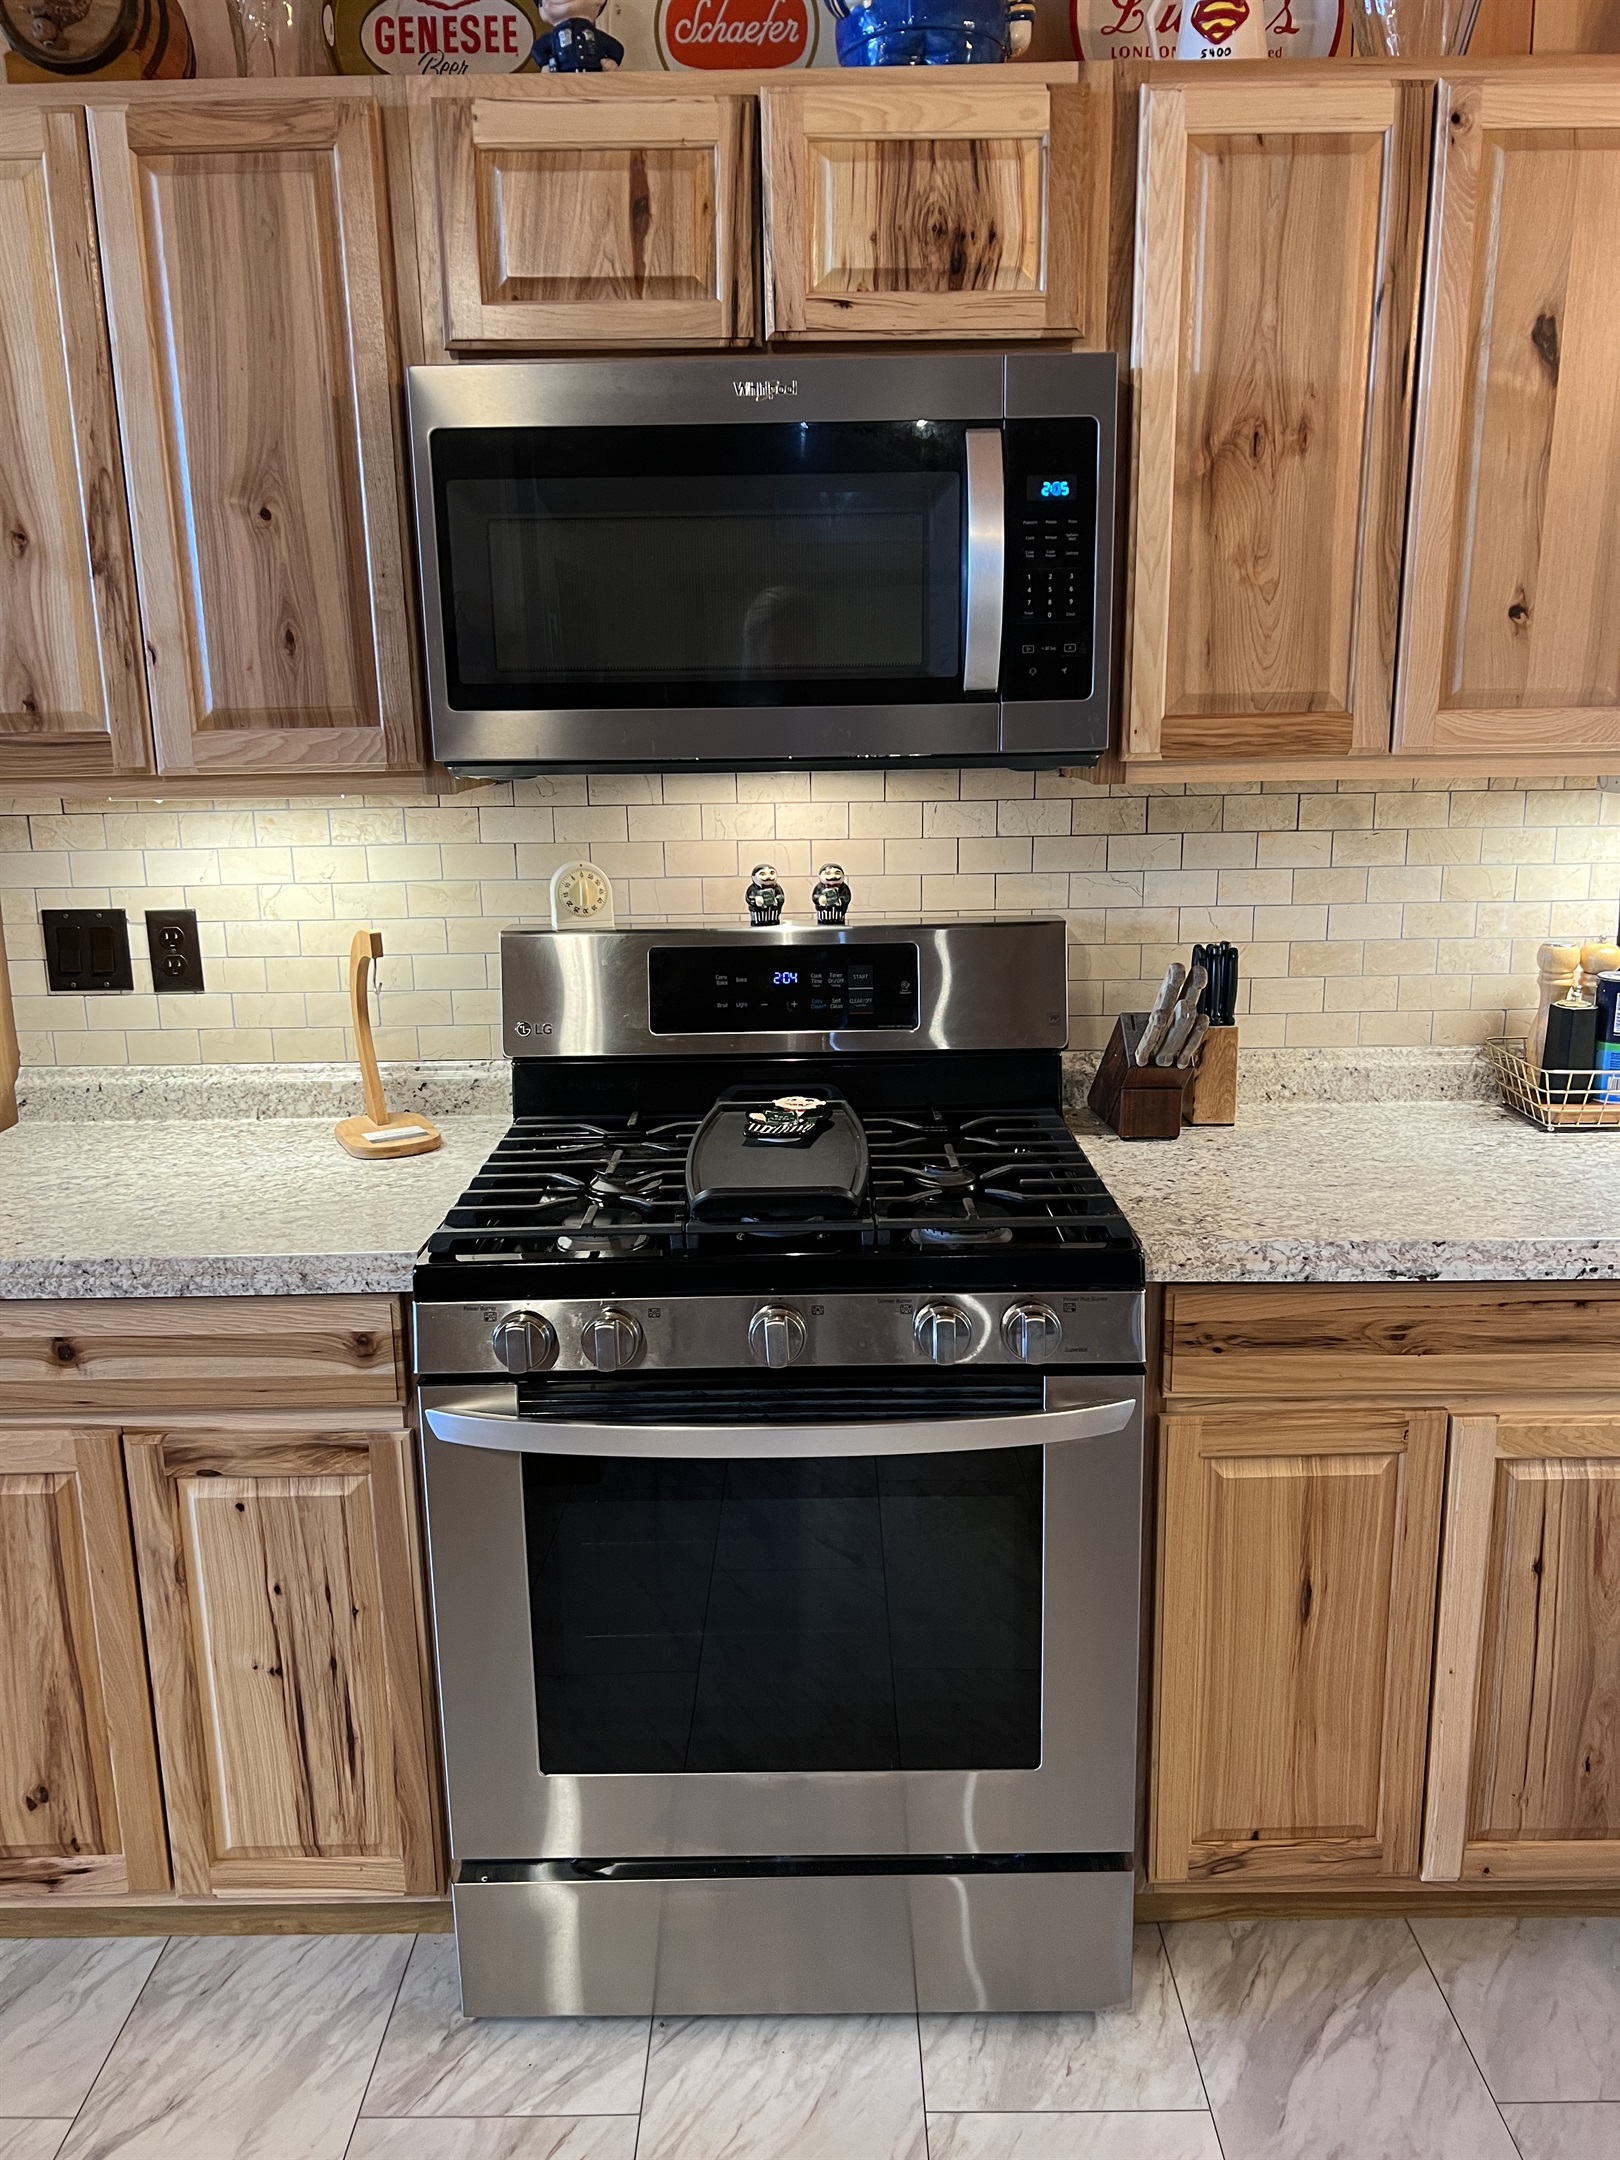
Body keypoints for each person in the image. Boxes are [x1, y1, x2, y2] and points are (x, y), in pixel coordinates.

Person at [532, 0, 623, 70]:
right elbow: (538, 49)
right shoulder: (553, 37)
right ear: (541, 9)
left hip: (594, 75)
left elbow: (616, 48)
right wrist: (545, 64)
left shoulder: (596, 35)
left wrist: (611, 61)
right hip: (562, 77)